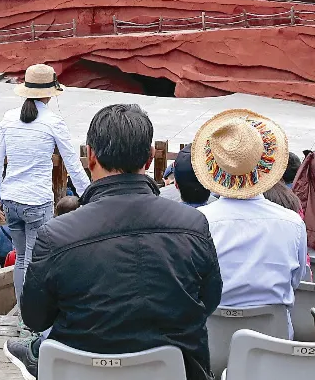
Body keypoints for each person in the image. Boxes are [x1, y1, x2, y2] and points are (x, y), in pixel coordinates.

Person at [12, 104, 223, 380]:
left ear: (91, 156)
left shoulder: (56, 235)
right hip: (177, 369)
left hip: (81, 371)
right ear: (149, 159)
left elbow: (36, 318)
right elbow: (209, 300)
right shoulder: (193, 225)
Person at [195, 110, 307, 337]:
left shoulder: (198, 222)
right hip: (274, 348)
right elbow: (297, 281)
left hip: (211, 347)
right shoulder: (292, 223)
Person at [0, 64, 90, 304]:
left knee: (21, 258)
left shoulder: (9, 118)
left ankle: (23, 311)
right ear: (50, 93)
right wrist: (88, 193)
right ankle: (35, 316)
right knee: (37, 260)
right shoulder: (53, 122)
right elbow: (72, 162)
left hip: (11, 199)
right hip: (37, 200)